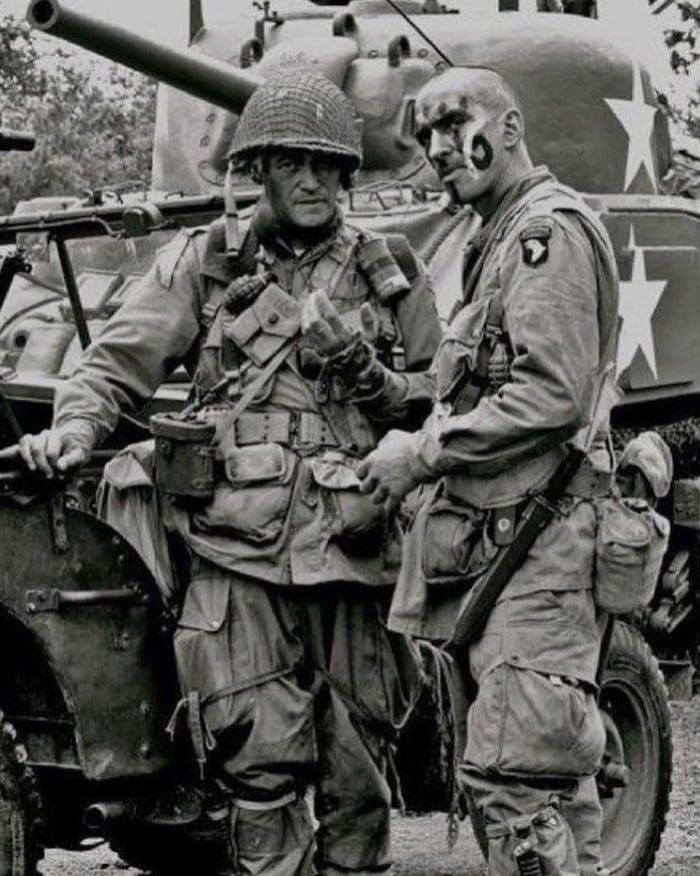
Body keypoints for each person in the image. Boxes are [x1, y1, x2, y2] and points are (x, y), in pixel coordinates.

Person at [9, 69, 441, 876]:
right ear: (259, 172)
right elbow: (114, 367)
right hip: (233, 549)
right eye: (288, 164)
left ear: (347, 173)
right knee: (257, 765)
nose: (310, 181)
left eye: (325, 165)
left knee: (358, 774)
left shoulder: (392, 274)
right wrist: (72, 431)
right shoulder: (206, 262)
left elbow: (441, 401)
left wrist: (378, 385)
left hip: (352, 550)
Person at [357, 66, 620, 876]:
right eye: (427, 132)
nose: (439, 146)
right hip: (507, 556)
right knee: (542, 788)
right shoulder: (497, 238)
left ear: (508, 128)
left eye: (455, 122)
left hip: (538, 555)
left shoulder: (543, 234)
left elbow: (553, 394)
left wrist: (423, 452)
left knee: (515, 783)